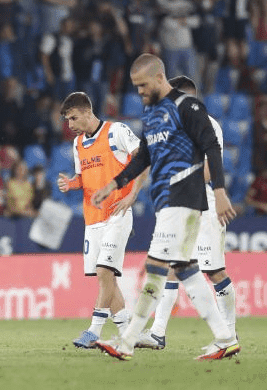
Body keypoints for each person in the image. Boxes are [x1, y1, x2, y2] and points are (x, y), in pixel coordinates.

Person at [91, 53, 239, 361]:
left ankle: (128, 341)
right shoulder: (154, 116)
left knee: (161, 267)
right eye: (136, 86)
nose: (140, 91)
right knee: (181, 269)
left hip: (188, 199)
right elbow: (144, 157)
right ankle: (224, 338)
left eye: (144, 85)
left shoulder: (190, 110)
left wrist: (220, 191)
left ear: (161, 80)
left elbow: (212, 149)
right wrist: (115, 184)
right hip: (168, 202)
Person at [136, 75, 239, 349]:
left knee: (214, 271)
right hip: (182, 206)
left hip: (206, 206)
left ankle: (229, 335)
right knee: (174, 267)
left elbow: (210, 170)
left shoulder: (207, 124)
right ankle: (157, 333)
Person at [56, 92, 145, 349]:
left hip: (117, 213)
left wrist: (132, 196)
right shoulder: (77, 144)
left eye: (73, 118)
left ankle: (94, 330)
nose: (70, 125)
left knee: (105, 271)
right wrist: (71, 184)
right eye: (67, 120)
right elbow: (83, 178)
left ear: (87, 112)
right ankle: (128, 333)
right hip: (92, 219)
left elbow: (143, 158)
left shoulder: (116, 132)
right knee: (107, 278)